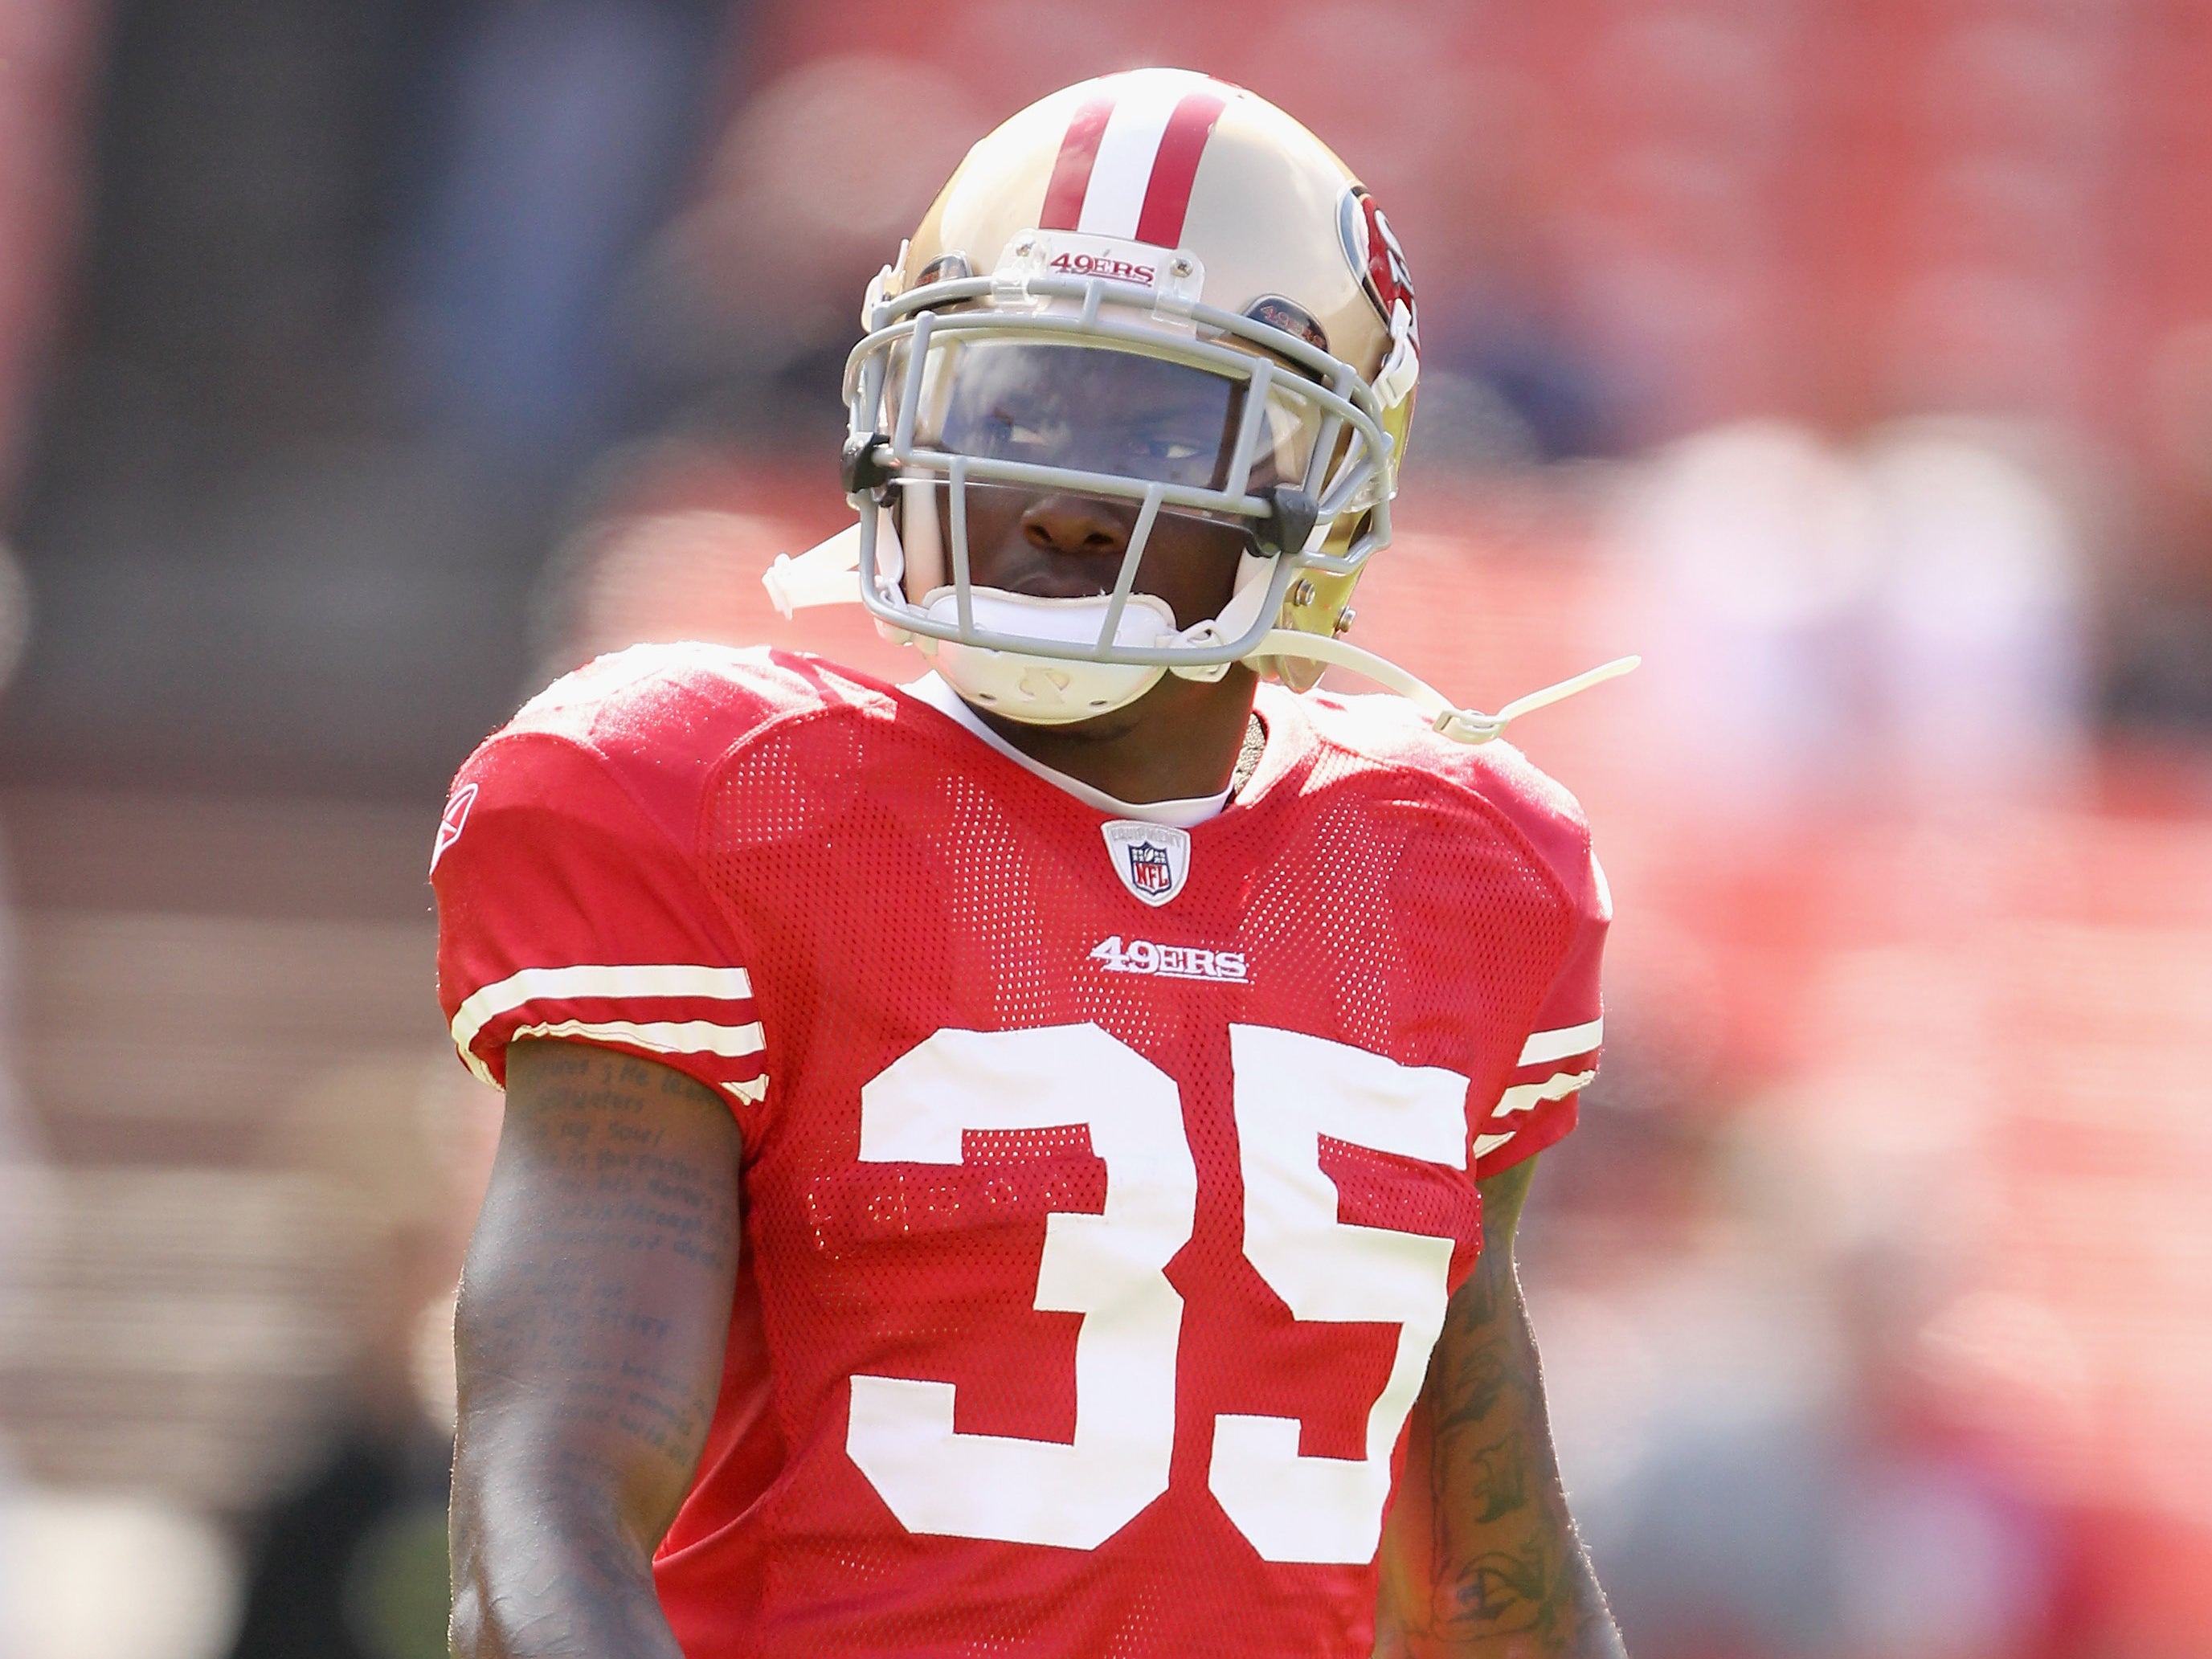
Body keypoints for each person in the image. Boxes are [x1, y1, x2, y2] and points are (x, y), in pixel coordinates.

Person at [437, 69, 1628, 1658]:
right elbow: (551, 1506)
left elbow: (1487, 1572)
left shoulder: (1459, 872)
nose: (1060, 497)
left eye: (1149, 418)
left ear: (1323, 483)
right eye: (1008, 406)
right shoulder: (729, 801)